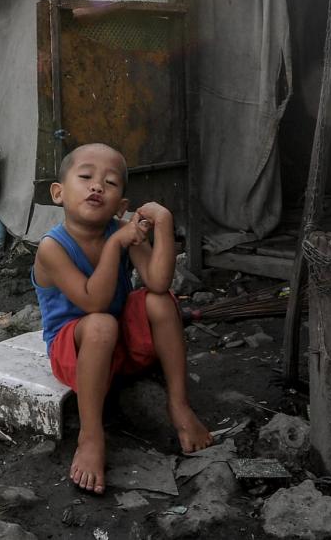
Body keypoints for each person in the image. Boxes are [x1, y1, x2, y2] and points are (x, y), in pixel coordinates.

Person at [32, 142, 212, 494]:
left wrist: (163, 222)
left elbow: (158, 282)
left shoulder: (121, 229)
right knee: (101, 324)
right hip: (75, 351)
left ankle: (178, 404)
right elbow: (94, 302)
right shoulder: (52, 247)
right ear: (58, 193)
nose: (97, 186)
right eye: (85, 177)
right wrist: (116, 245)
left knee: (160, 302)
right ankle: (91, 436)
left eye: (110, 183)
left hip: (118, 347)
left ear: (121, 206)